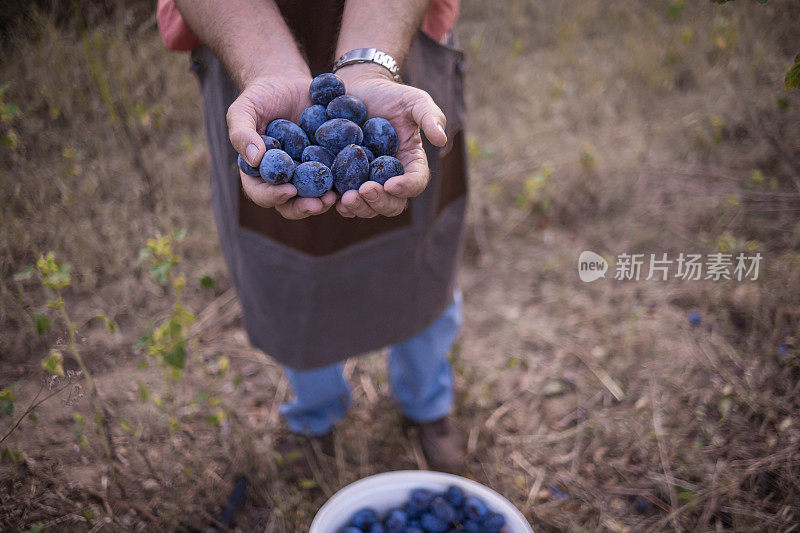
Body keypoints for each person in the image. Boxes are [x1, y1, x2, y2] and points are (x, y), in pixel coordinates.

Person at [157, 0, 469, 474]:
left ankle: (427, 403)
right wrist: (269, 68)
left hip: (400, 44)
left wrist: (371, 66)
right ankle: (315, 416)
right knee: (286, 277)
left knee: (421, 265)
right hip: (247, 54)